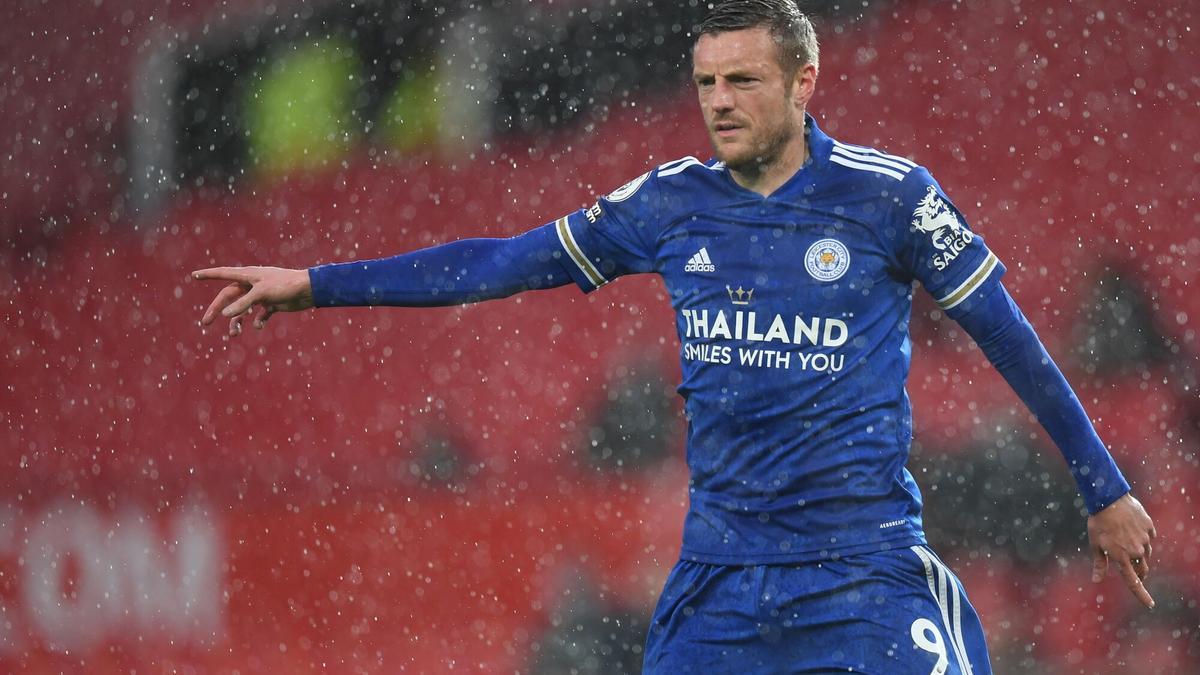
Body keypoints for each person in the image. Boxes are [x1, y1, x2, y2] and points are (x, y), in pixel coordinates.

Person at [193, 1, 1157, 672]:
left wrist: (1102, 483)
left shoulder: (888, 197)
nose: (721, 101)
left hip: (863, 573)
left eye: (743, 79)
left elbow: (1007, 333)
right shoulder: (668, 205)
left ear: (804, 81)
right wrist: (317, 285)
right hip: (723, 585)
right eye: (705, 82)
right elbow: (495, 264)